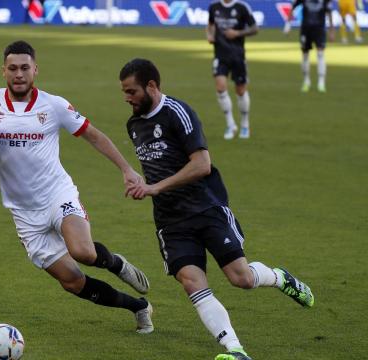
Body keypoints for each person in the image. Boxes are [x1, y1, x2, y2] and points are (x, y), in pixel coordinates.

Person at [119, 58, 315, 360]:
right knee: (191, 282)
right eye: (125, 92)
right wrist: (139, 182)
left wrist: (154, 187)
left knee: (242, 279)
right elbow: (158, 168)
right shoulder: (134, 125)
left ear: (152, 86)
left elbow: (201, 165)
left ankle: (279, 278)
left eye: (132, 91)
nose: (127, 98)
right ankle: (234, 350)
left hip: (205, 207)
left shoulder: (178, 114)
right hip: (170, 221)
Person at [0, 41, 153, 333]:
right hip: (24, 213)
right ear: (3, 71)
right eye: (12, 68)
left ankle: (117, 264)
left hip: (57, 194)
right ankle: (137, 307)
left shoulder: (53, 105)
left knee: (83, 252)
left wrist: (127, 170)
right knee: (72, 281)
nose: (19, 74)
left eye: (24, 68)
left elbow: (93, 136)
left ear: (35, 70)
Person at [206, 0, 258, 140]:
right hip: (220, 55)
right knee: (221, 87)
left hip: (238, 56)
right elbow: (210, 25)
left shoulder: (241, 7)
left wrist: (238, 33)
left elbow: (255, 29)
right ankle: (230, 124)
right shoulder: (214, 7)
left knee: (240, 91)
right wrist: (209, 35)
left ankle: (245, 125)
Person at [289, 0, 334, 92]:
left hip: (319, 29)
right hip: (306, 29)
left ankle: (321, 82)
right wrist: (288, 24)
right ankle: (306, 81)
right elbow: (293, 6)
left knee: (320, 54)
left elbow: (329, 12)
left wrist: (331, 30)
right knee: (305, 55)